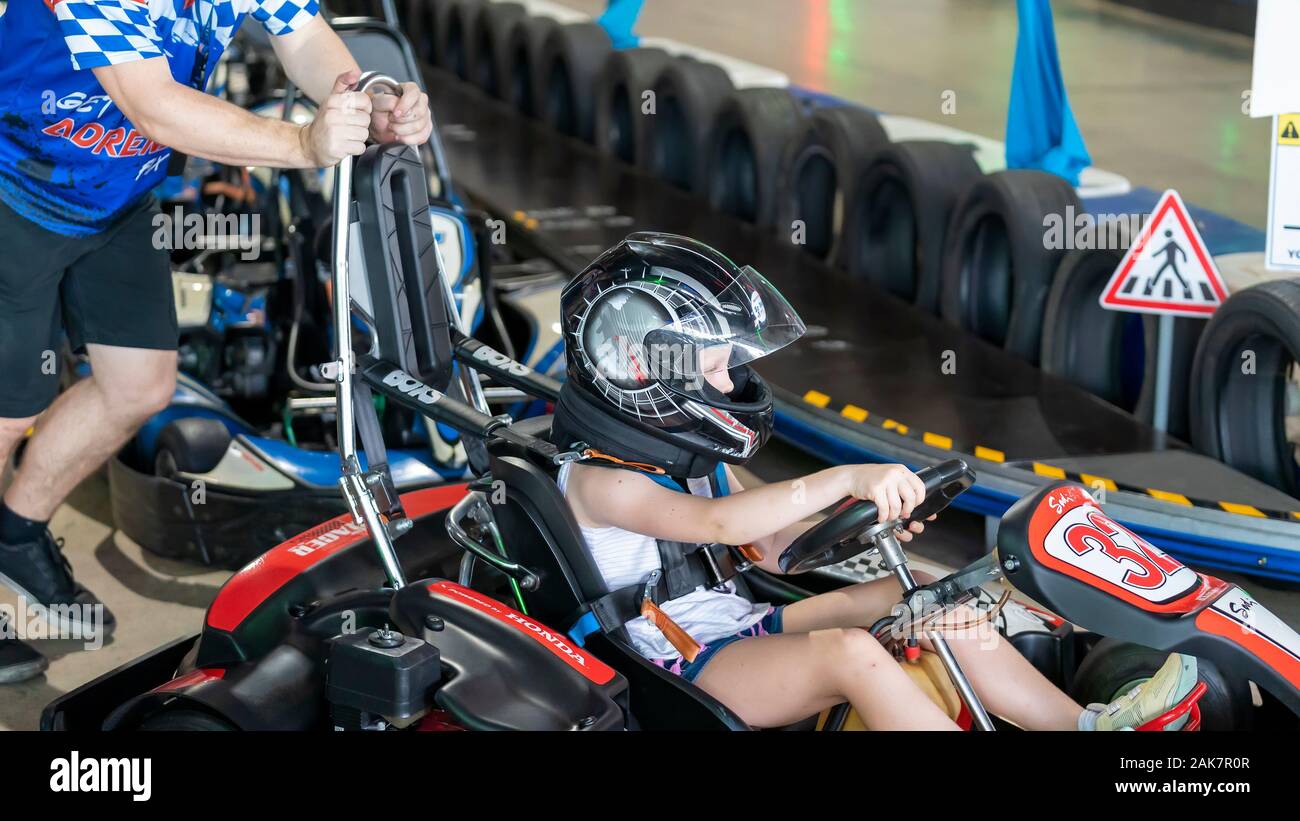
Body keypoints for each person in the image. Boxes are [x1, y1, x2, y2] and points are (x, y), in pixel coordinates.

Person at [551, 232, 1198, 730]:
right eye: (717, 369)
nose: (730, 385)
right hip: (679, 668)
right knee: (850, 653)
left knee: (925, 598)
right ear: (644, 370)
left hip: (741, 623)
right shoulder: (600, 481)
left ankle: (1081, 723)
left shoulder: (688, 461)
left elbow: (769, 545)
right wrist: (846, 477)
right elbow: (720, 526)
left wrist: (865, 522)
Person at [0, 0, 433, 682]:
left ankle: (16, 534)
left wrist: (368, 100)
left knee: (139, 384)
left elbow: (302, 35)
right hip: (13, 186)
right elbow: (154, 107)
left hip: (115, 198)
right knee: (7, 414)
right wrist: (301, 144)